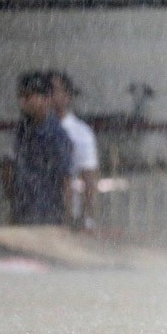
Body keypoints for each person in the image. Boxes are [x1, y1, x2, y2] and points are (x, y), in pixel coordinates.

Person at [4, 71, 73, 225]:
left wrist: (65, 220)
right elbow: (11, 167)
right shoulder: (21, 130)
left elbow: (65, 181)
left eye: (28, 97)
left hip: (47, 214)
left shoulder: (56, 136)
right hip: (22, 212)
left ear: (46, 99)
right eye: (20, 97)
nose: (23, 102)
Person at [46, 70, 100, 232]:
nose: (50, 96)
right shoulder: (29, 130)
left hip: (69, 217)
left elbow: (89, 179)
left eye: (55, 90)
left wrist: (87, 217)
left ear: (67, 95)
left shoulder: (80, 132)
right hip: (37, 213)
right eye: (46, 90)